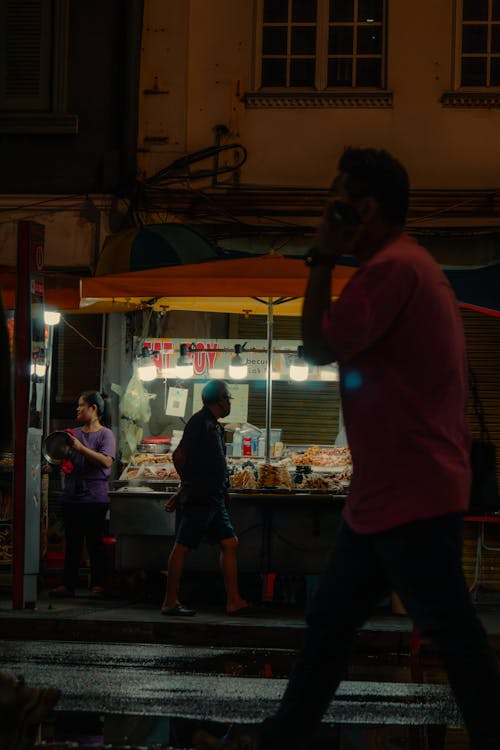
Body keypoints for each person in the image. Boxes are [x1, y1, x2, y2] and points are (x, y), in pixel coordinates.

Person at [256, 147, 500, 749]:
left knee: (448, 633)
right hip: (391, 493)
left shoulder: (392, 271)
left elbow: (316, 344)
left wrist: (322, 256)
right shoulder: (413, 266)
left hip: (408, 493)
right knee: (332, 627)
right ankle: (283, 739)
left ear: (361, 209)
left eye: (333, 200)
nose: (325, 211)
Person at [161, 379, 251, 617]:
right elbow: (179, 456)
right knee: (182, 546)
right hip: (201, 496)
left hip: (214, 497)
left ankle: (234, 600)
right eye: (228, 397)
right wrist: (187, 486)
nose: (230, 402)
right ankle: (170, 601)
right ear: (220, 399)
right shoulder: (199, 422)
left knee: (230, 543)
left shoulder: (214, 425)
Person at [50, 390, 116, 600]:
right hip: (71, 494)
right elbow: (59, 455)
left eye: (81, 405)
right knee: (73, 542)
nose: (77, 409)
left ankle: (98, 585)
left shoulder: (105, 434)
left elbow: (106, 461)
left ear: (93, 408)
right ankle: (68, 585)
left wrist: (80, 448)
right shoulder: (72, 434)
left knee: (94, 541)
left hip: (95, 497)